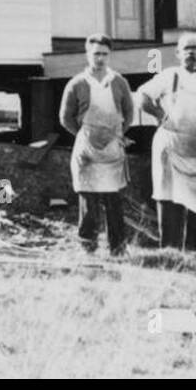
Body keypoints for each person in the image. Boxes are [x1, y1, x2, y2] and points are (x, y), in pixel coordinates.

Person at [138, 32, 196, 251]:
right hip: (170, 145)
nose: (190, 53)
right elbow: (143, 96)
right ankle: (169, 251)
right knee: (167, 197)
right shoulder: (169, 75)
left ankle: (195, 253)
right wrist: (160, 115)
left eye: (194, 48)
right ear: (178, 53)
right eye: (186, 49)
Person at [59, 34, 136, 255]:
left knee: (114, 202)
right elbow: (65, 117)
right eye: (96, 54)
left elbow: (129, 112)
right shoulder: (77, 84)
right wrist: (85, 135)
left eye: (104, 54)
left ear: (109, 55)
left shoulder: (119, 82)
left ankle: (118, 250)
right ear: (88, 55)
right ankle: (88, 249)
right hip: (87, 153)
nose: (100, 58)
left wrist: (116, 134)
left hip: (112, 151)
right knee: (89, 203)